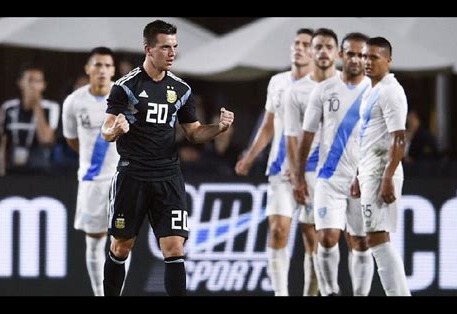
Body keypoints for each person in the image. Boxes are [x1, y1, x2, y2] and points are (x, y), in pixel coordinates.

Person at [101, 19, 234, 296]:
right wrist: (115, 129)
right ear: (148, 49)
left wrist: (219, 129)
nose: (172, 53)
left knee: (174, 248)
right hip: (132, 175)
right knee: (121, 246)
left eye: (174, 47)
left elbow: (194, 134)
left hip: (167, 176)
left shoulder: (182, 90)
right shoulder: (126, 87)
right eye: (165, 47)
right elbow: (106, 129)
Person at [294, 31, 374, 296]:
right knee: (327, 238)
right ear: (342, 55)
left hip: (362, 181)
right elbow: (306, 136)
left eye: (361, 55)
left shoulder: (375, 91)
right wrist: (298, 178)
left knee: (360, 242)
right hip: (328, 178)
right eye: (350, 53)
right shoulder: (325, 90)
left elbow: (382, 138)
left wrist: (370, 174)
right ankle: (329, 292)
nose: (355, 59)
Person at [235, 28, 314, 296]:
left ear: (315, 51)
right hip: (280, 171)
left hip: (314, 172)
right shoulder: (277, 81)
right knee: (278, 230)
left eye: (306, 44)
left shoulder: (326, 85)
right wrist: (250, 155)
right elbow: (268, 126)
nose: (299, 48)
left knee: (313, 239)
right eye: (297, 42)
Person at [62, 47, 132, 296]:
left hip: (121, 179)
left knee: (122, 243)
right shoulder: (73, 102)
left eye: (107, 66)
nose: (102, 70)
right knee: (94, 241)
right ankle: (98, 294)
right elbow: (71, 139)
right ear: (88, 68)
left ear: (113, 70)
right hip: (92, 181)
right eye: (97, 65)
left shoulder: (125, 97)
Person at [357, 37, 411, 296]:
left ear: (388, 60)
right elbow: (368, 135)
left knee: (377, 237)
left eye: (374, 57)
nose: (367, 62)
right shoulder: (370, 90)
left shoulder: (391, 90)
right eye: (365, 57)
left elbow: (399, 137)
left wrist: (388, 176)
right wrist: (358, 174)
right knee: (374, 237)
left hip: (381, 171)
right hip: (369, 170)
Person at [0, 64, 60, 176]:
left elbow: (46, 139)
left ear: (43, 85)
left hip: (40, 170)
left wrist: (36, 105)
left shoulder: (51, 107)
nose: (33, 85)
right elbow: (3, 142)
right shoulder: (8, 107)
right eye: (30, 80)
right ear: (21, 83)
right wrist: (2, 172)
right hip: (13, 169)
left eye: (38, 81)